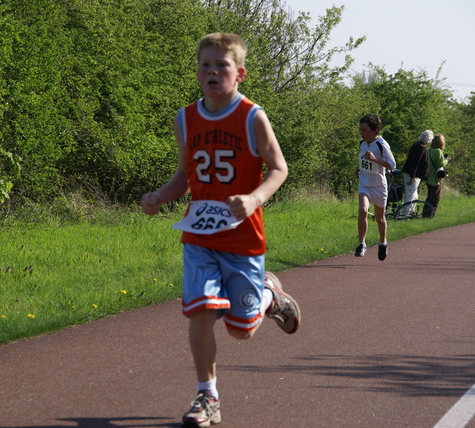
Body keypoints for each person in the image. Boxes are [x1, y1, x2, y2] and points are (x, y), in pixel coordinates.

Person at [140, 32, 300, 428]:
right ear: (197, 72)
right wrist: (159, 196)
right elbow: (184, 176)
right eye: (205, 65)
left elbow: (279, 168)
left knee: (242, 332)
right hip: (199, 237)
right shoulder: (185, 118)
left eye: (222, 65)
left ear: (239, 73)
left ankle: (270, 295)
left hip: (243, 239)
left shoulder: (251, 116)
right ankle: (206, 396)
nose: (213, 72)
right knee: (201, 314)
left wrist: (255, 198)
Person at [355, 114, 396, 261]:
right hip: (365, 184)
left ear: (375, 130)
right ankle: (361, 244)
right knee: (362, 210)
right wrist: (359, 167)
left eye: (364, 130)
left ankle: (382, 242)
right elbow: (362, 158)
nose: (361, 133)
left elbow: (392, 165)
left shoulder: (381, 144)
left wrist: (375, 159)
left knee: (380, 219)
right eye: (360, 130)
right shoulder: (362, 143)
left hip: (379, 186)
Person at [400, 130, 433, 215]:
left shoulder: (416, 145)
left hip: (410, 173)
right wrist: (412, 177)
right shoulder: (421, 148)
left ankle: (411, 212)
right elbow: (415, 163)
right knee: (410, 195)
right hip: (413, 175)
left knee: (414, 195)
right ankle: (406, 214)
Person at [424, 133, 450, 218]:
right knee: (435, 199)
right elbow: (440, 163)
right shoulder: (438, 151)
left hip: (429, 177)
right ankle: (431, 216)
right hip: (435, 178)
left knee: (429, 198)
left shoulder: (429, 150)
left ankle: (425, 214)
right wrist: (446, 159)